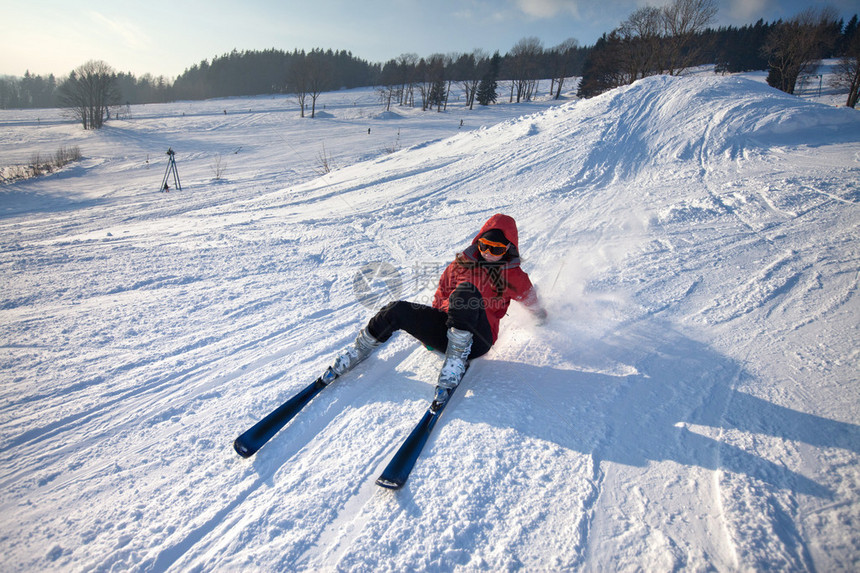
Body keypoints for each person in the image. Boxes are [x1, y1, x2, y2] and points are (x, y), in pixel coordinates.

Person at [322, 213, 547, 409]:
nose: (488, 253)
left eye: (496, 249)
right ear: (477, 242)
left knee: (466, 292)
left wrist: (540, 315)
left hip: (478, 340)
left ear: (508, 248)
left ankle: (456, 362)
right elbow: (442, 291)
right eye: (484, 246)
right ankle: (359, 350)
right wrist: (434, 324)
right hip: (448, 331)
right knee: (398, 308)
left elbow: (529, 298)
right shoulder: (461, 262)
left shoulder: (514, 275)